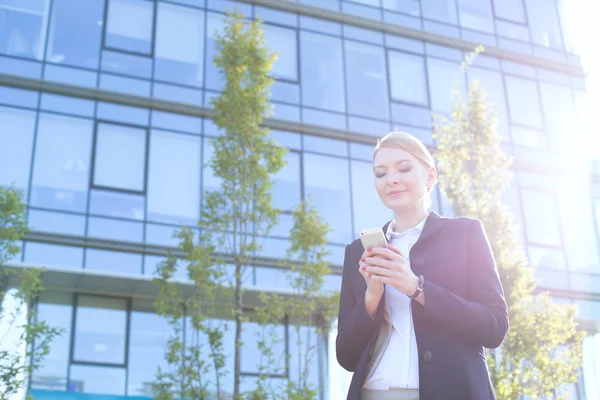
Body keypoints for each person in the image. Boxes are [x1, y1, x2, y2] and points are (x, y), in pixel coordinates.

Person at [336, 131, 509, 400]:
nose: (391, 179)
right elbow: (346, 356)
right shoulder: (359, 252)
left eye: (404, 168)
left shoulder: (465, 234)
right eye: (380, 173)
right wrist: (371, 297)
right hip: (375, 392)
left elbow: (494, 327)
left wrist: (416, 288)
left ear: (430, 177)